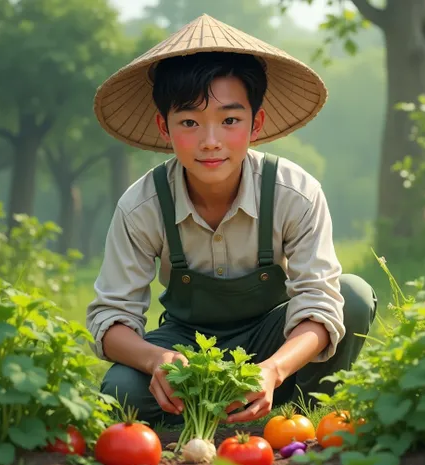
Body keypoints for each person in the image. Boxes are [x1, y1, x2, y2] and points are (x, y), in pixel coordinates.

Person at [87, 14, 377, 426]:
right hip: (186, 349)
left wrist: (273, 369)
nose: (210, 141)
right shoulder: (142, 205)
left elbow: (319, 302)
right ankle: (201, 418)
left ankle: (292, 413)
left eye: (229, 120)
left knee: (353, 297)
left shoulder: (294, 193)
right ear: (163, 126)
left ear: (255, 124)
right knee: (120, 393)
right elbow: (111, 319)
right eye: (189, 122)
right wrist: (157, 361)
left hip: (272, 339)